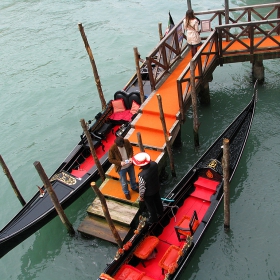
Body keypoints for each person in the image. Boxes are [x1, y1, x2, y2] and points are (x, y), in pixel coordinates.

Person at [132, 152, 163, 223]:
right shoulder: (154, 164)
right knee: (158, 201)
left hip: (148, 194)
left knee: (150, 207)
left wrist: (141, 196)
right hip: (156, 187)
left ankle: (154, 219)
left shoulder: (141, 175)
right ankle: (161, 212)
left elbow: (142, 188)